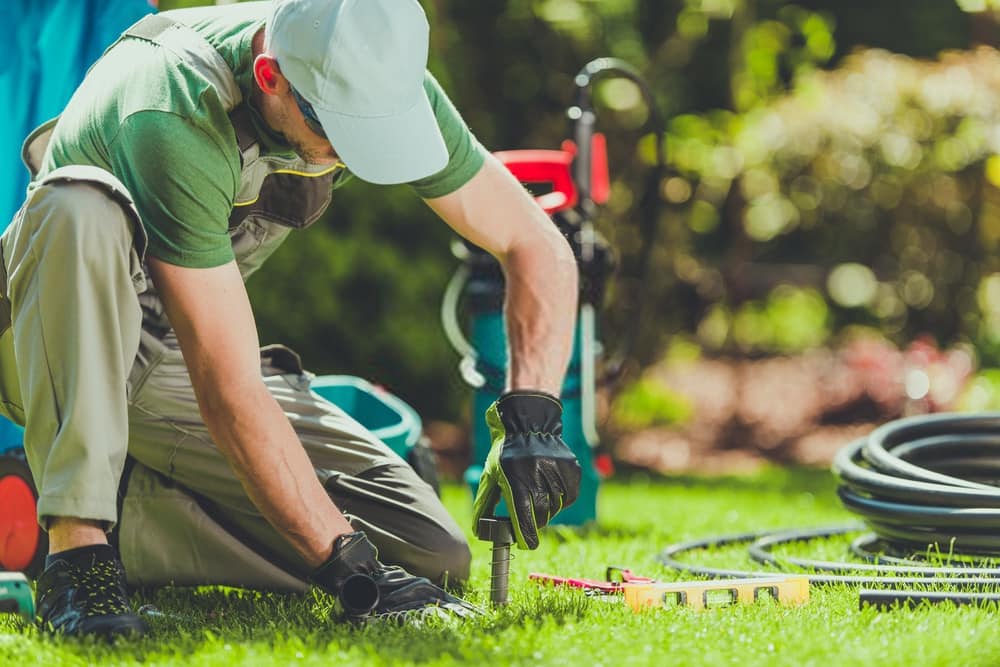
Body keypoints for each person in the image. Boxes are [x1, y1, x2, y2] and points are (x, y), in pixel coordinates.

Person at [0, 0, 582, 638]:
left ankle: (65, 501)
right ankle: (77, 552)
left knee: (428, 551)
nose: (348, 153)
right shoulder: (170, 108)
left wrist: (534, 415)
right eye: (336, 129)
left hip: (171, 354)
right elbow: (228, 387)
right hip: (55, 342)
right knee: (78, 206)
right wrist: (345, 562)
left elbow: (535, 244)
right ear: (271, 75)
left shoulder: (375, 71)